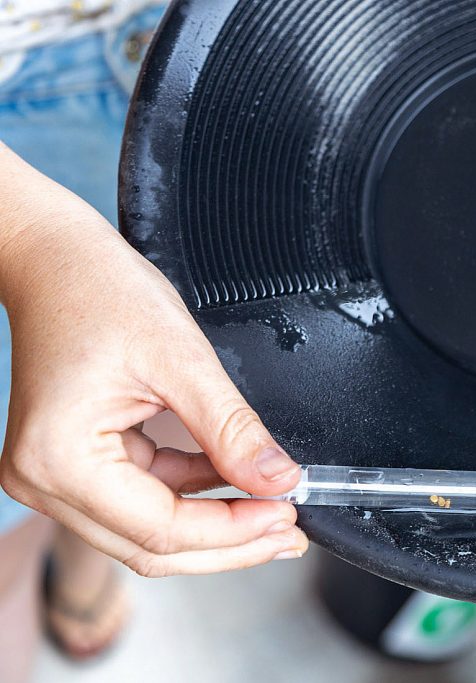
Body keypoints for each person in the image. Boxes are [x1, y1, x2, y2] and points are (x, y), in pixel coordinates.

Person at [0, 3, 308, 679]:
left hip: (239, 46)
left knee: (179, 390)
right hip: (15, 82)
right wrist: (29, 240)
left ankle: (86, 557)